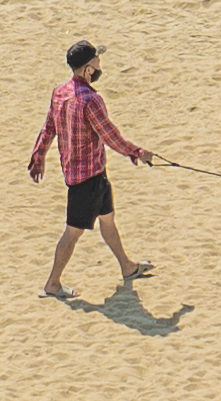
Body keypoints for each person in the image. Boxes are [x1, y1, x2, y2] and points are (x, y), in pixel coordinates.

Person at [30, 40, 155, 299]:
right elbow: (110, 136)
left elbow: (48, 128)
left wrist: (38, 156)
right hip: (85, 180)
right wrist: (137, 152)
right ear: (88, 69)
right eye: (97, 61)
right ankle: (52, 284)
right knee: (72, 233)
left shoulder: (59, 92)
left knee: (107, 220)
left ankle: (127, 267)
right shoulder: (91, 100)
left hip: (92, 175)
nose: (100, 65)